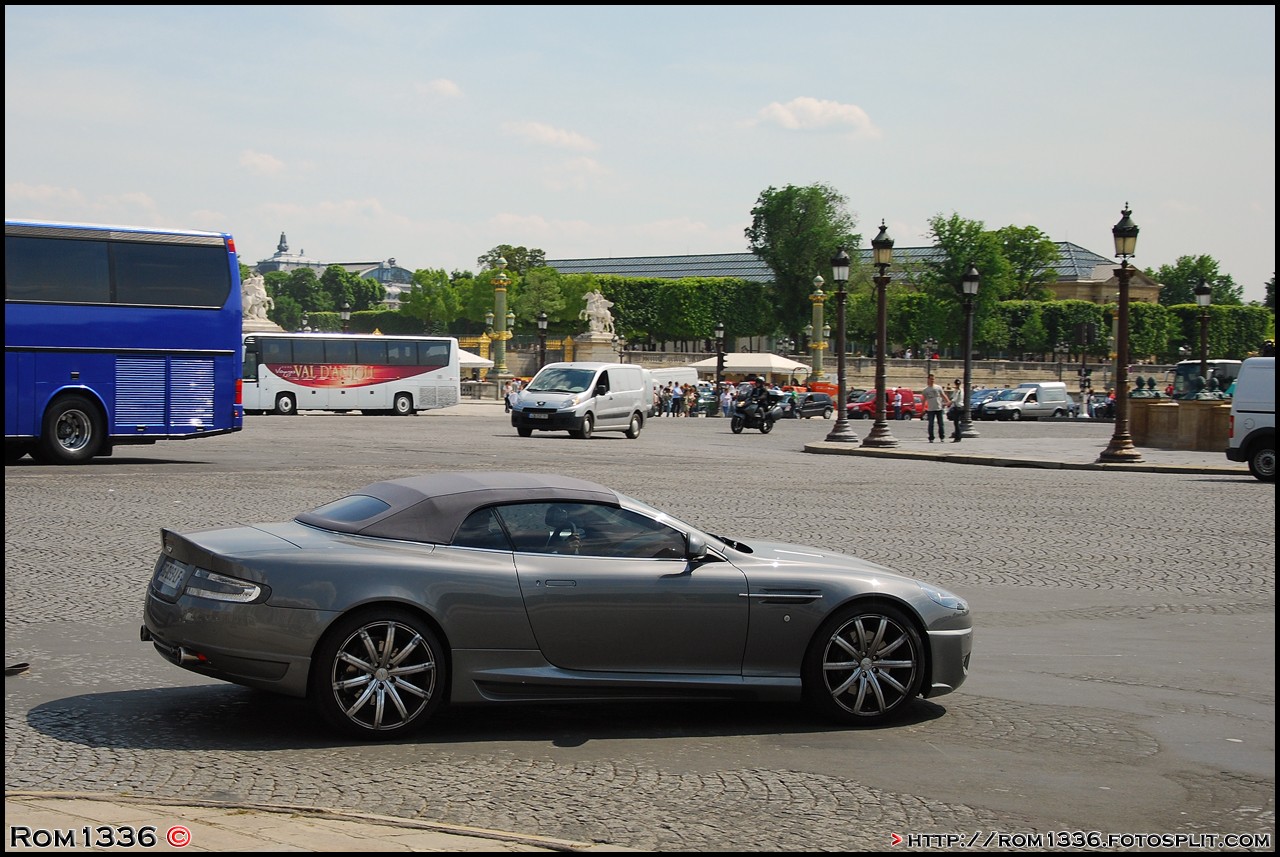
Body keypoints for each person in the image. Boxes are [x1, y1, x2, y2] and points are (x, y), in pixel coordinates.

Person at [921, 374, 950, 443]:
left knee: (941, 424)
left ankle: (942, 437)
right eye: (931, 379)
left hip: (939, 408)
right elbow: (924, 400)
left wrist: (948, 401)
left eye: (933, 379)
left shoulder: (938, 387)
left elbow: (943, 395)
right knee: (931, 424)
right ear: (928, 379)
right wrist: (923, 408)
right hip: (930, 409)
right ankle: (931, 438)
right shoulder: (926, 390)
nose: (932, 380)